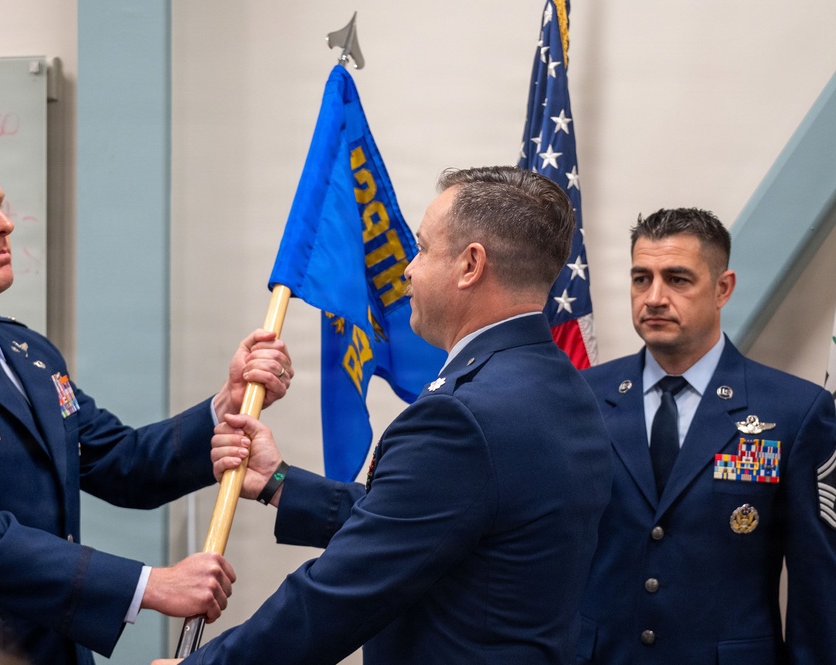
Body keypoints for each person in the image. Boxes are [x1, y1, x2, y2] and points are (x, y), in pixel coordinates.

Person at [0, 140, 294, 665]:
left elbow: (122, 463)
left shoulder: (25, 350)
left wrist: (225, 401)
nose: (3, 223)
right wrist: (146, 585)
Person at [157, 166, 613, 665]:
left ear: (470, 265)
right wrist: (279, 482)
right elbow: (433, 523)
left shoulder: (462, 416)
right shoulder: (569, 388)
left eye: (421, 248)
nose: (408, 269)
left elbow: (340, 593)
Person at [576, 208, 836, 665]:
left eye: (677, 279)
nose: (654, 297)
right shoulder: (582, 399)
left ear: (722, 289)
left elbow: (818, 583)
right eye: (641, 279)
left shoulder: (794, 410)